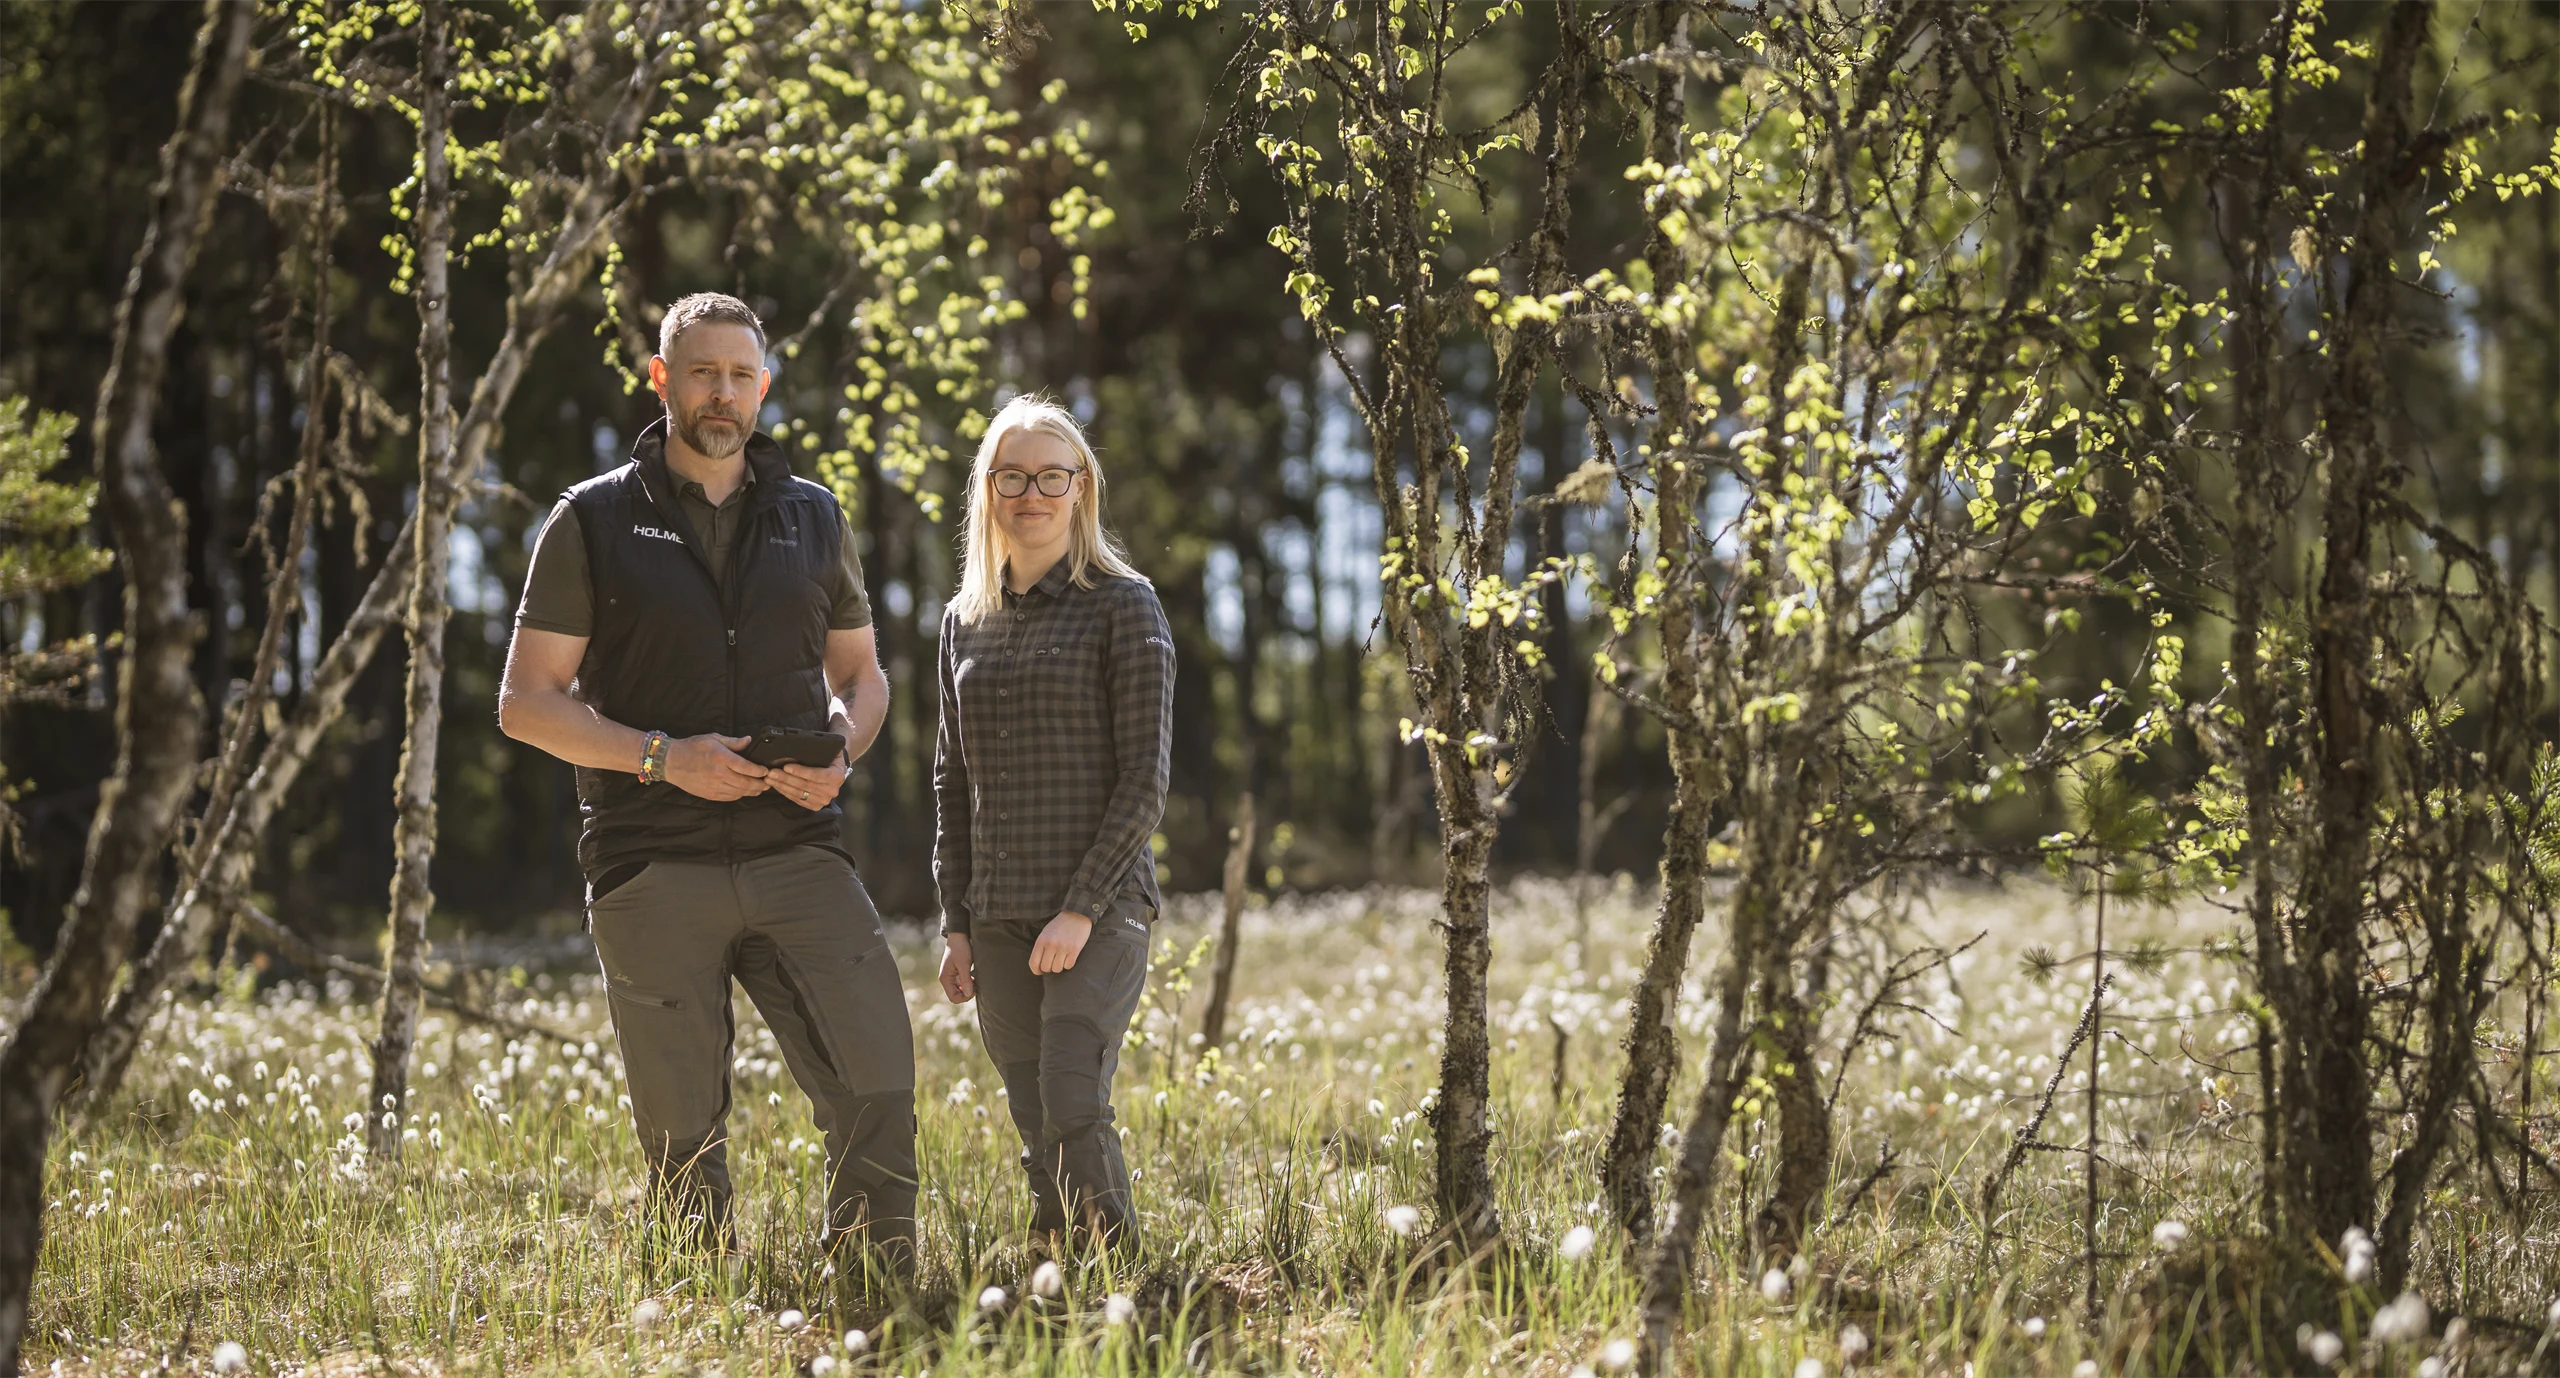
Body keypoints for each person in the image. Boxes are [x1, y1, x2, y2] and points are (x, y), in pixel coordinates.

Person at [497, 292, 917, 1269]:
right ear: (662, 380)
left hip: (798, 850)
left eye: (739, 374)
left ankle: (874, 1296)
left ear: (763, 387)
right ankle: (699, 1315)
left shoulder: (813, 518)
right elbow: (526, 702)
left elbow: (862, 678)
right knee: (684, 1136)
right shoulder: (593, 519)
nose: (720, 392)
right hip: (651, 863)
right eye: (700, 371)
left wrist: (843, 752)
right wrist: (663, 756)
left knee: (878, 1083)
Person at [932, 395, 1174, 1251]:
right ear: (987, 489)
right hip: (995, 914)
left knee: (1072, 1093)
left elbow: (1144, 781)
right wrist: (955, 924)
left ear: (1081, 490)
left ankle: (1123, 1282)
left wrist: (1078, 908)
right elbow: (951, 783)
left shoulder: (1123, 604)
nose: (1030, 493)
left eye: (1050, 476)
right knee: (1033, 1114)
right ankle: (1057, 1268)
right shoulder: (964, 621)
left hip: (1099, 909)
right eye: (1012, 476)